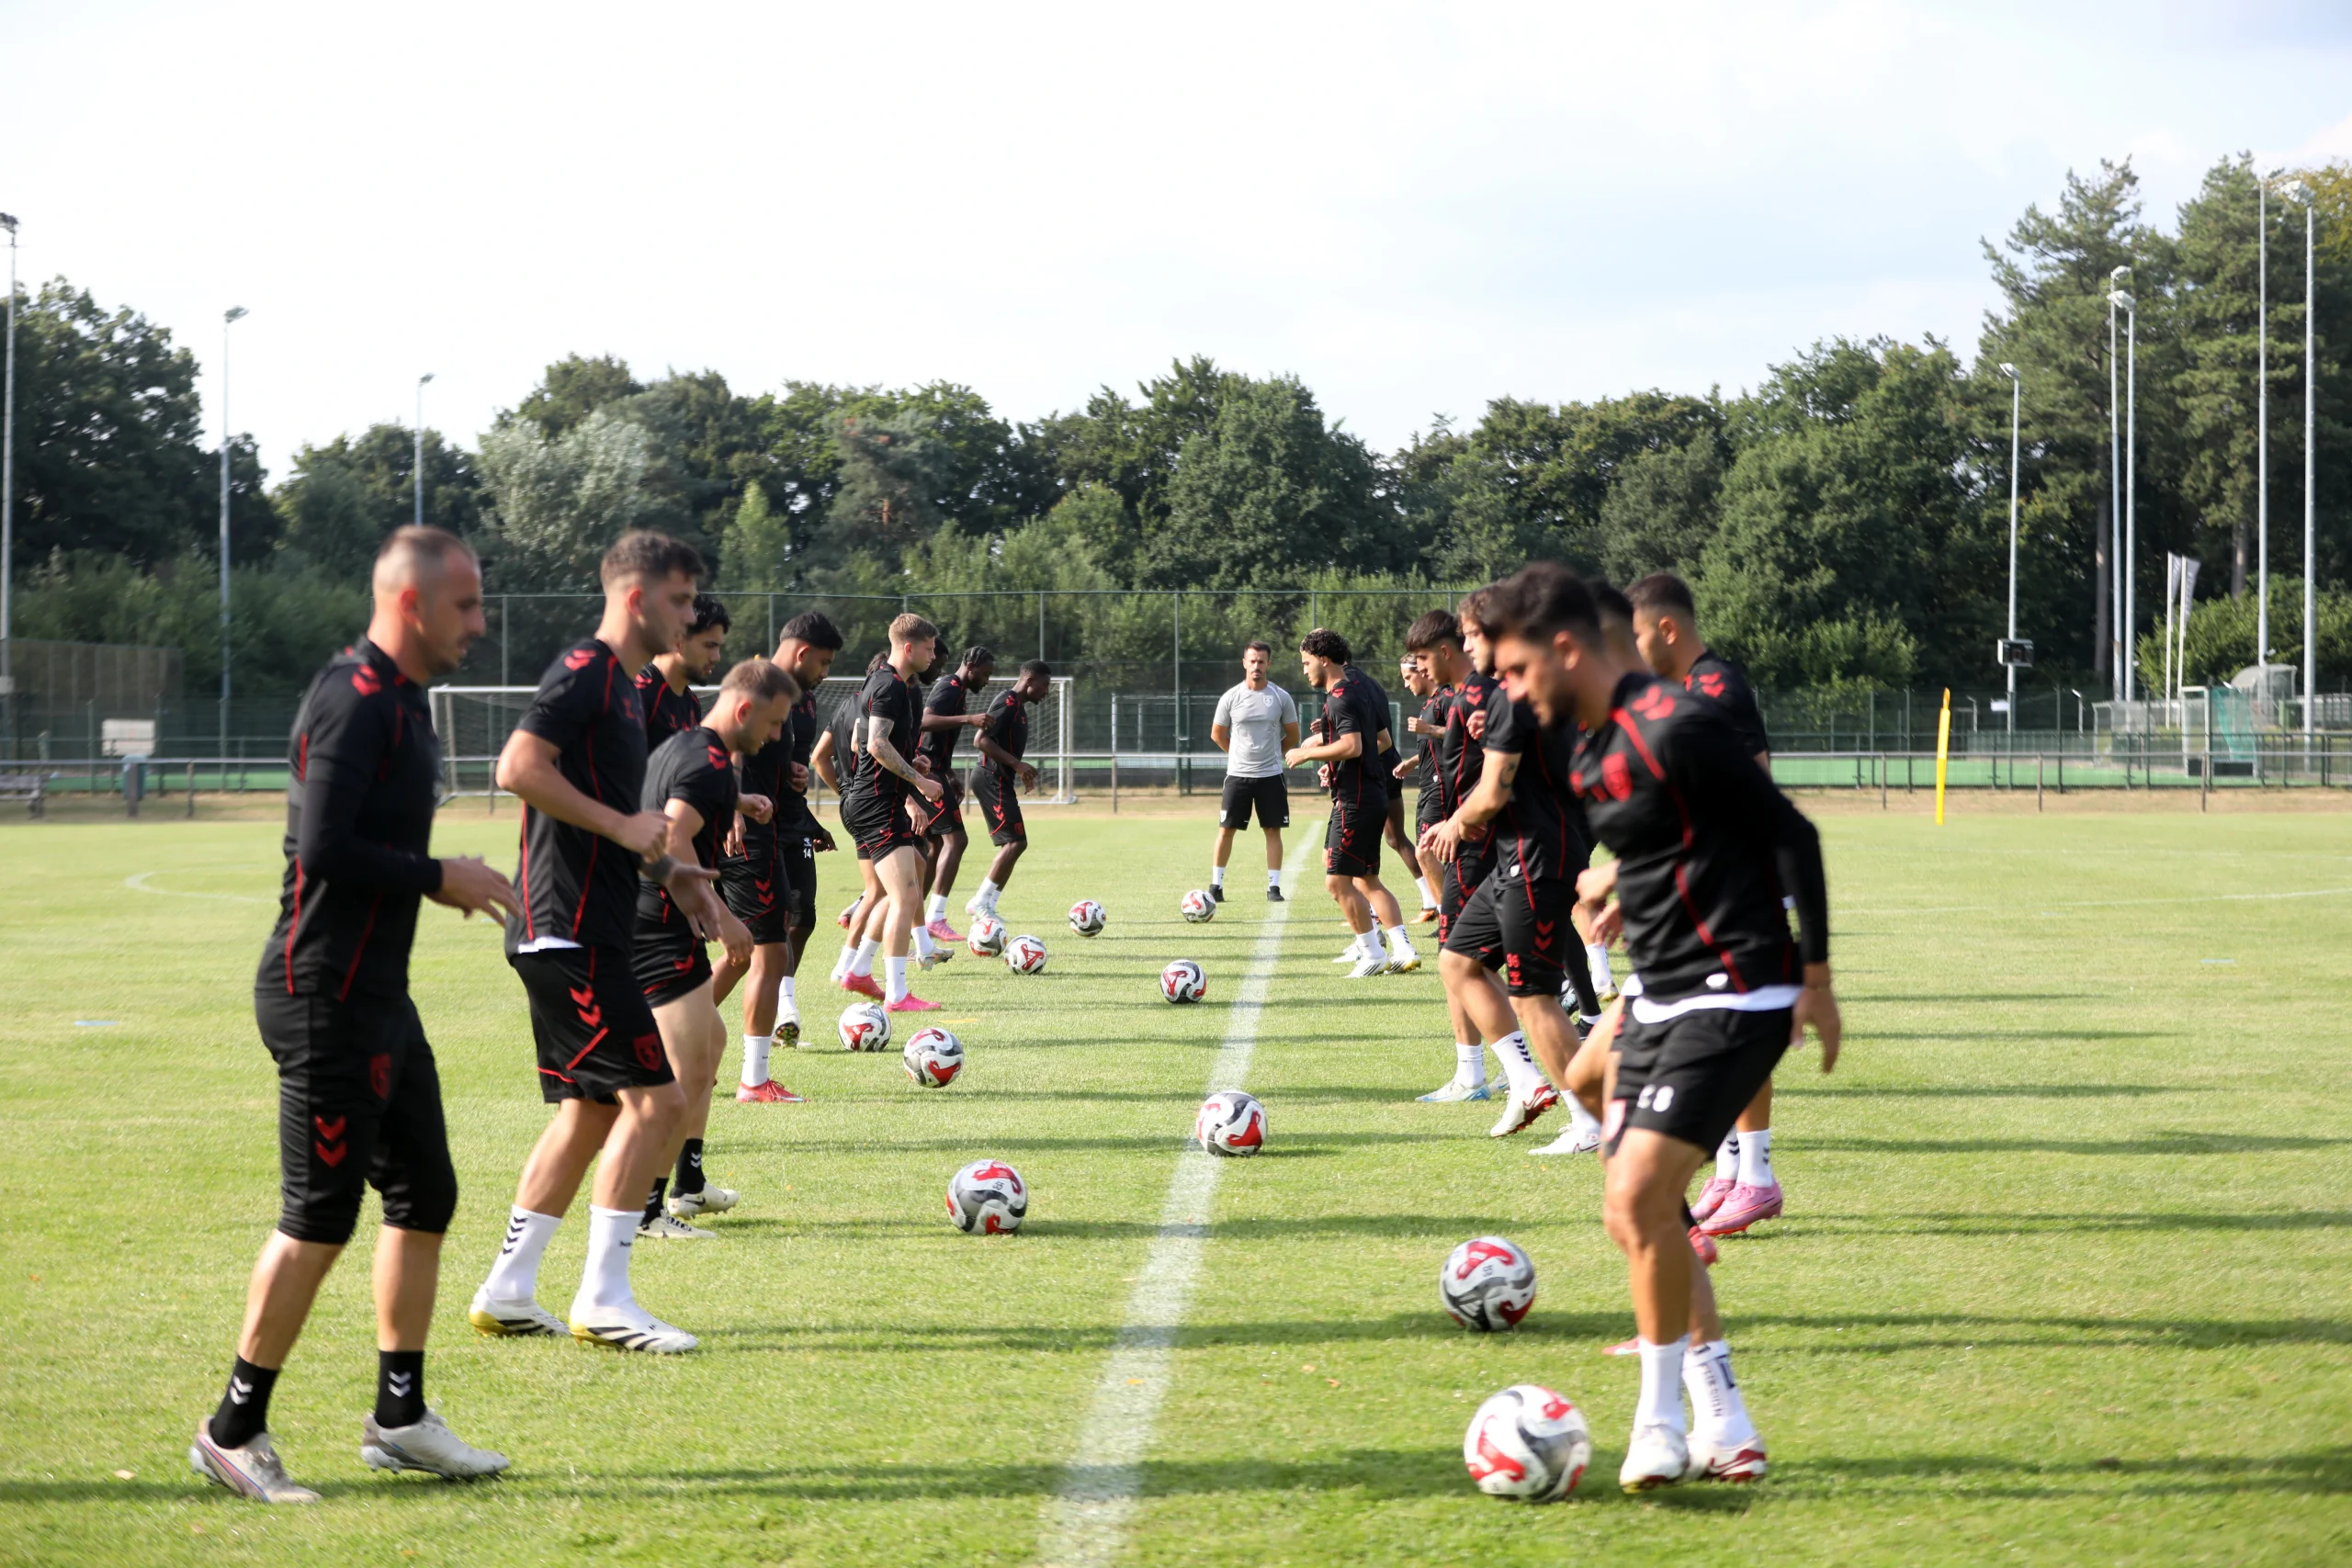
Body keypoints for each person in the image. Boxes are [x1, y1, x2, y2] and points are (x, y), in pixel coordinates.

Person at [1483, 560, 1838, 1492]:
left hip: (1738, 991)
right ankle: (1724, 1416)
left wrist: (1817, 977)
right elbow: (1663, 844)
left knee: (1634, 1200)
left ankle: (1662, 1423)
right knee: (1591, 1091)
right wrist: (1611, 886)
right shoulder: (1588, 748)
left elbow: (1789, 835)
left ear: (1564, 649)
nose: (1508, 693)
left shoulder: (1679, 726)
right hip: (1664, 989)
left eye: (1515, 672)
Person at [191, 528, 521, 1505]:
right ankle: (230, 1429)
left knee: (426, 1192)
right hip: (320, 995)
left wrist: (433, 879)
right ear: (410, 604)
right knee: (320, 1217)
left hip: (379, 994)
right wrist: (440, 875)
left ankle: (401, 1418)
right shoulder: (355, 698)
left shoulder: (410, 702)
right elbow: (319, 845)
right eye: (464, 604)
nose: (481, 621)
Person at [468, 530, 729, 1356]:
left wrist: (675, 871)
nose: (690, 617)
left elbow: (623, 821)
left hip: (584, 928)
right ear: (636, 596)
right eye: (682, 601)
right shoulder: (587, 669)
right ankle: (605, 1298)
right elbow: (516, 766)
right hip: (566, 929)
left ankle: (508, 1289)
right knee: (656, 1098)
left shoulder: (625, 689)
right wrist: (624, 824)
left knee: (586, 1111)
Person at [1626, 571, 1784, 1237]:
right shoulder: (1691, 688)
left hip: (1736, 885)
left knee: (1731, 1030)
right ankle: (1729, 1168)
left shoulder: (1715, 688)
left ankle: (1757, 1176)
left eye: (1636, 635)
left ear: (1666, 628)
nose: (1633, 650)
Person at [1422, 592, 1600, 1140]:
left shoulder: (1512, 697)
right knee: (1457, 962)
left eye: (1473, 635)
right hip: (1514, 858)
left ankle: (1591, 1118)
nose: (1465, 643)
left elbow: (1495, 788)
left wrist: (1457, 822)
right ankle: (1525, 1081)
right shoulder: (1525, 692)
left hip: (1536, 858)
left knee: (1534, 998)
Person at [631, 659, 795, 1237]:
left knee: (710, 1046)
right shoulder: (705, 760)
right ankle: (647, 1212)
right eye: (773, 725)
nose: (775, 737)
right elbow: (670, 837)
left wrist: (738, 804)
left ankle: (689, 1185)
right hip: (653, 924)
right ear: (744, 709)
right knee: (679, 1072)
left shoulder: (695, 747)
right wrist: (719, 916)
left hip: (659, 919)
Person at [712, 612, 840, 1099]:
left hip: (764, 828)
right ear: (802, 652)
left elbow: (758, 750)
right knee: (765, 953)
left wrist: (790, 771)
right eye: (824, 662)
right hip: (747, 835)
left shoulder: (791, 698)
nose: (825, 672)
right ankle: (753, 1080)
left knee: (743, 953)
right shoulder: (761, 682)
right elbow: (729, 746)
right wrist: (735, 807)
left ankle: (679, 1044)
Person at [1403, 608, 1504, 1103]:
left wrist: (1457, 823)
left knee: (1458, 958)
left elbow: (1497, 775)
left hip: (1479, 843)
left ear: (1446, 651)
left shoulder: (1476, 698)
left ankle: (1477, 1075)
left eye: (1422, 658)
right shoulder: (1469, 696)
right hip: (1470, 837)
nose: (1419, 668)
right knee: (1469, 962)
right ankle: (1499, 1071)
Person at [1283, 630, 1418, 979]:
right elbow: (1381, 740)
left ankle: (1371, 952)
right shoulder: (1354, 690)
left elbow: (1354, 746)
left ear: (1323, 658)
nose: (1304, 670)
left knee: (1337, 882)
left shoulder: (1341, 696)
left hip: (1356, 799)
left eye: (1306, 662)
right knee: (1364, 878)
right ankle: (1399, 948)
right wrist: (1333, 767)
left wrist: (1308, 753)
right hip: (1367, 793)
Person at [839, 614, 947, 1012]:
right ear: (908, 648)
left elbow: (856, 740)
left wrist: (910, 760)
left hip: (872, 801)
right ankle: (897, 995)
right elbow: (875, 747)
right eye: (929, 649)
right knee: (906, 896)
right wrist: (919, 783)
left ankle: (860, 970)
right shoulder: (890, 686)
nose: (933, 656)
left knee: (909, 876)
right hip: (877, 804)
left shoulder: (879, 680)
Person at [1208, 641, 1300, 904]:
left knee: (1273, 830)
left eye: (1261, 661)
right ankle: (1216, 885)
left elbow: (1292, 734)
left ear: (1268, 664)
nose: (1256, 666)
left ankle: (1273, 887)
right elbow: (1217, 734)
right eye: (1252, 661)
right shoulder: (1231, 697)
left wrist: (1273, 755)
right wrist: (1237, 756)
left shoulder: (1281, 697)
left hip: (1271, 776)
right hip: (1238, 776)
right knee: (1226, 829)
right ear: (1244, 663)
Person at [918, 646, 995, 940]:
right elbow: (924, 721)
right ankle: (934, 917)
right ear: (971, 666)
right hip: (926, 772)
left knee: (934, 847)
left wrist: (949, 772)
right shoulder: (949, 686)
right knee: (957, 840)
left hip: (936, 770)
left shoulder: (958, 691)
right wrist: (968, 719)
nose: (987, 681)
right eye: (986, 674)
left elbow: (938, 739)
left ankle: (919, 919)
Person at [966, 660, 1051, 915]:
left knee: (1017, 843)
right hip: (989, 777)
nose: (1046, 691)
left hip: (999, 778)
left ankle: (989, 905)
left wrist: (1018, 769)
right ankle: (980, 903)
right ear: (1029, 682)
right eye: (1044, 685)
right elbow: (980, 740)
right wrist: (1017, 764)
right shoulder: (1008, 702)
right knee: (1014, 843)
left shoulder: (1019, 709)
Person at [636, 594, 729, 747]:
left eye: (719, 647)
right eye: (709, 645)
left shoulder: (692, 704)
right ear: (678, 641)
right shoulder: (639, 694)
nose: (716, 657)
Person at [1396, 649, 1444, 922]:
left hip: (1442, 786)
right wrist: (1414, 761)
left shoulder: (1446, 699)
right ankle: (1445, 915)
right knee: (1426, 852)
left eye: (1408, 676)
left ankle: (1449, 918)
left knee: (1426, 851)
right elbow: (1435, 744)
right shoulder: (1429, 703)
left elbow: (1462, 734)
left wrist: (1431, 730)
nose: (1406, 683)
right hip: (1426, 787)